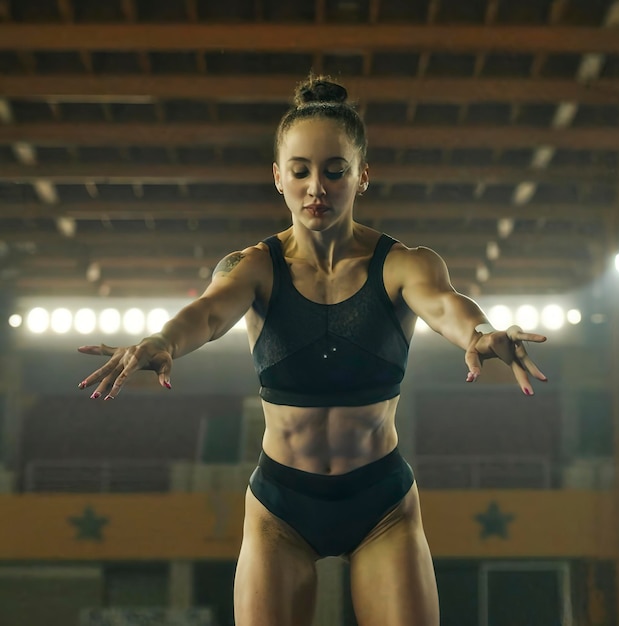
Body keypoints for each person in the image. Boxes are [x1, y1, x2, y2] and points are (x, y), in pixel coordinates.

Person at [77, 75, 548, 626]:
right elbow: (206, 313)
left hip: (382, 507)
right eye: (299, 171)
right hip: (282, 506)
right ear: (278, 177)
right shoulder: (252, 267)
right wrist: (162, 340)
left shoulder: (404, 264)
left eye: (335, 171)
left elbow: (447, 306)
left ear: (362, 175)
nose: (315, 188)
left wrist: (482, 334)